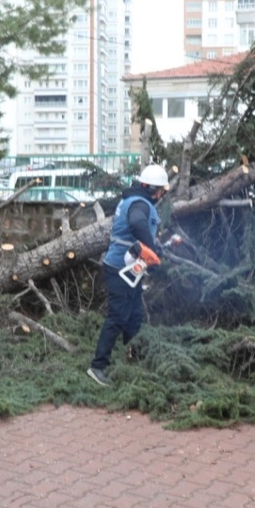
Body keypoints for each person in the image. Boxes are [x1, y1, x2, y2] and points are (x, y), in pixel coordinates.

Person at [88, 164, 171, 386]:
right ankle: (98, 366)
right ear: (152, 188)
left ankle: (132, 360)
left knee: (134, 316)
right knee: (118, 316)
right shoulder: (139, 203)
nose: (162, 195)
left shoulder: (135, 200)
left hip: (128, 268)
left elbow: (142, 230)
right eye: (161, 190)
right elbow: (137, 223)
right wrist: (151, 249)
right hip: (120, 268)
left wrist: (155, 246)